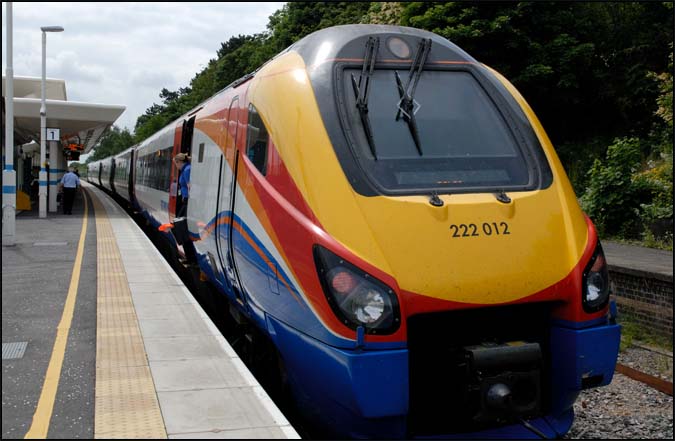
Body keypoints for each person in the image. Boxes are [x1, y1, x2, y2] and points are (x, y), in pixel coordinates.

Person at [173, 153, 191, 218]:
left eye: (176, 164)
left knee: (179, 221)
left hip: (187, 200)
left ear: (180, 162)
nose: (176, 167)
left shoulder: (186, 170)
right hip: (186, 200)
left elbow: (190, 186)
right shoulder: (186, 169)